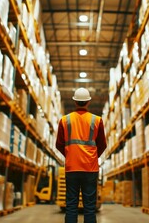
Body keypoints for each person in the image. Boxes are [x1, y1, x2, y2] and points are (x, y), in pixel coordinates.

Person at [56, 87, 107, 223]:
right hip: (90, 168)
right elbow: (102, 145)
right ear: (88, 102)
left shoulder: (64, 120)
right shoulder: (97, 120)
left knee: (71, 206)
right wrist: (93, 157)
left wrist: (70, 155)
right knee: (89, 207)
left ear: (75, 102)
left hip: (72, 167)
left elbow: (59, 144)